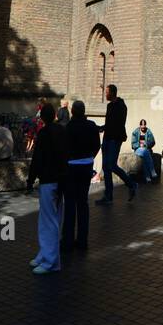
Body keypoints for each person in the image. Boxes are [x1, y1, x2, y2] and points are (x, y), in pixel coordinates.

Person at [26, 103, 68, 274]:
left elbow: (37, 158)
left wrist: (30, 179)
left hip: (49, 180)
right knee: (53, 219)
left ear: (42, 117)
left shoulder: (44, 133)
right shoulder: (62, 131)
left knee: (48, 221)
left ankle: (51, 261)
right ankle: (45, 255)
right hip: (60, 180)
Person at [61, 100, 101, 251]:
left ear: (73, 112)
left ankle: (68, 240)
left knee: (70, 203)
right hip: (86, 166)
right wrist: (90, 158)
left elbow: (64, 148)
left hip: (71, 167)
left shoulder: (68, 127)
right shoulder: (91, 126)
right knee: (83, 203)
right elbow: (97, 146)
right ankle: (82, 240)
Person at [97, 84, 136, 203]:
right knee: (106, 167)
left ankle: (131, 184)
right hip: (107, 138)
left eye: (107, 92)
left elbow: (118, 124)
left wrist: (105, 127)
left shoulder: (121, 106)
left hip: (115, 139)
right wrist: (103, 128)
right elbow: (109, 123)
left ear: (113, 93)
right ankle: (108, 197)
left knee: (112, 165)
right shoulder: (109, 106)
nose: (105, 94)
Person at [130, 118, 157, 182]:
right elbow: (133, 145)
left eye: (144, 125)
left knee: (144, 156)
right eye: (141, 125)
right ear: (139, 125)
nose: (143, 126)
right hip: (138, 150)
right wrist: (140, 145)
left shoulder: (148, 131)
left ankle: (147, 177)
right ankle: (152, 171)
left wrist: (146, 144)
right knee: (145, 151)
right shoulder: (135, 132)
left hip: (146, 149)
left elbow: (153, 142)